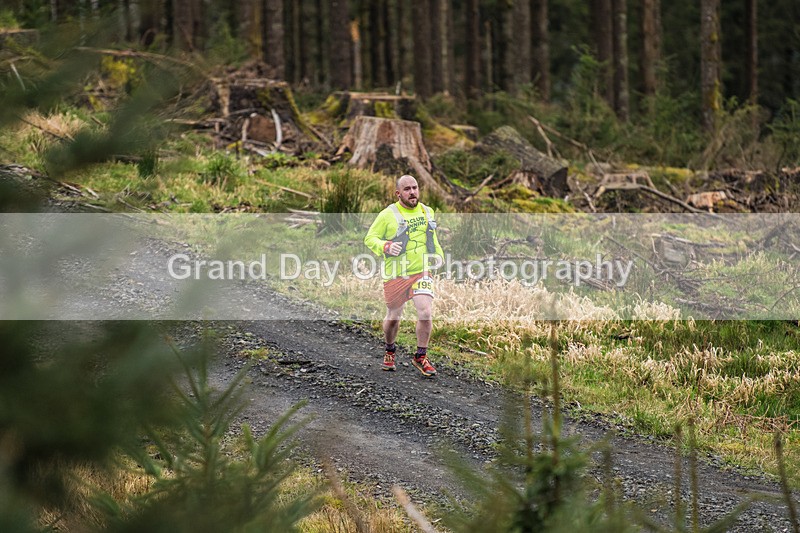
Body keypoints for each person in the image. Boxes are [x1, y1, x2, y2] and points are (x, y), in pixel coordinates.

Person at [364, 175, 444, 377]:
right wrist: (386, 246)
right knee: (393, 317)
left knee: (425, 312)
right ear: (398, 193)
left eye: (415, 188)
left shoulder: (427, 211)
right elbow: (370, 238)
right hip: (396, 273)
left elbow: (432, 239)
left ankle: (420, 356)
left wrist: (439, 257)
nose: (412, 192)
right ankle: (390, 350)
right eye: (407, 189)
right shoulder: (387, 215)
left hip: (421, 270)